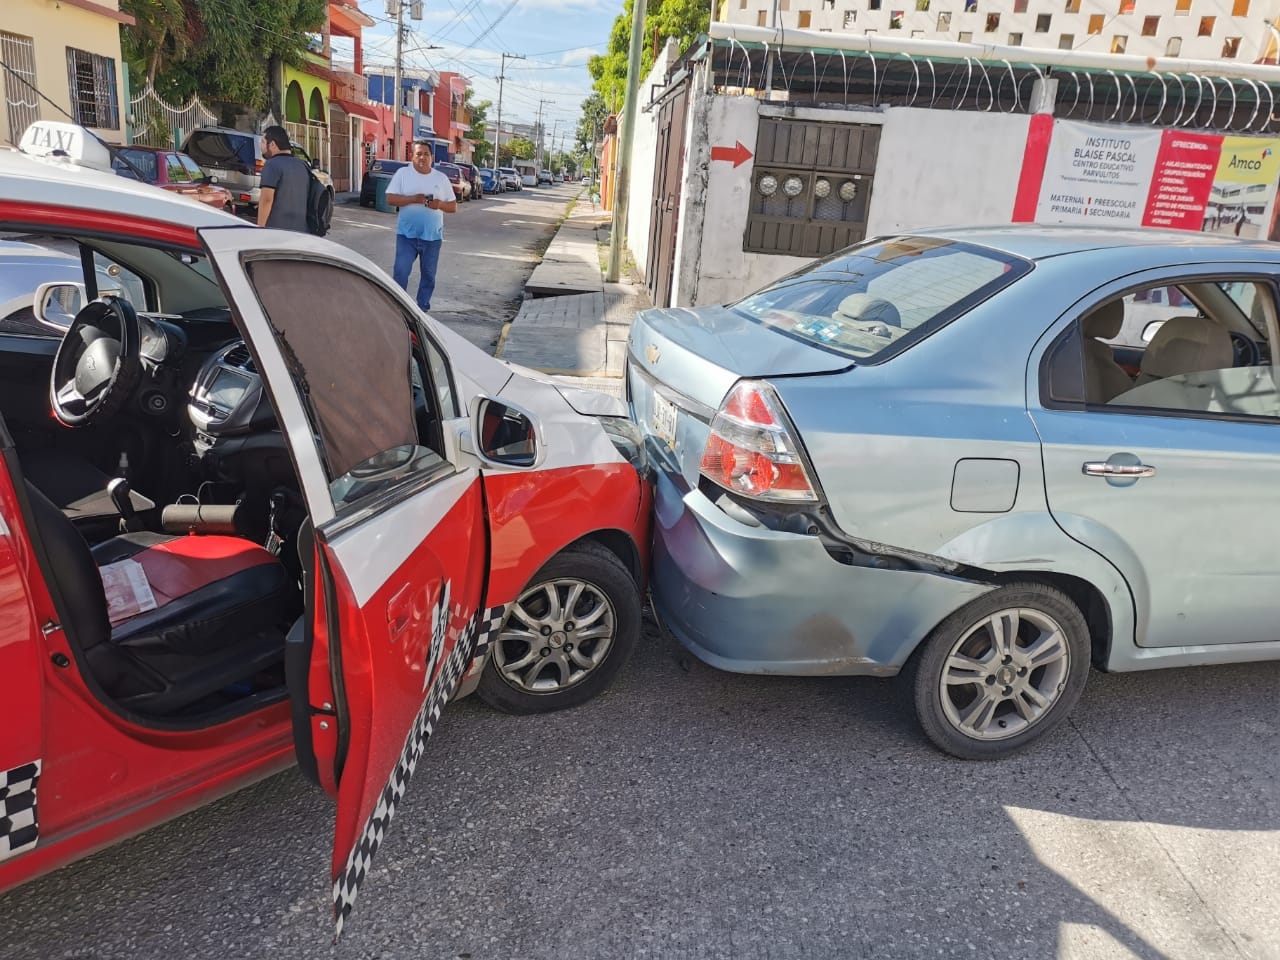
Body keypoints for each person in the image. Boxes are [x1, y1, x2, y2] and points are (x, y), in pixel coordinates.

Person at [386, 140, 457, 311]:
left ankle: (422, 310)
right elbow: (389, 199)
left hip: (432, 237)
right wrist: (413, 199)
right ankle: (398, 308)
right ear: (412, 156)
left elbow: (453, 206)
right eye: (418, 154)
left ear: (432, 157)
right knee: (401, 272)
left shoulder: (441, 178)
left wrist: (438, 204)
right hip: (406, 236)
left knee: (429, 276)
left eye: (426, 154)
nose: (422, 157)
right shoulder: (403, 174)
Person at [257, 125, 310, 232]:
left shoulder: (272, 165)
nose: (260, 146)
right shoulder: (302, 166)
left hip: (276, 232)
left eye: (262, 142)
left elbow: (266, 200)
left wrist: (260, 230)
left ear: (272, 144)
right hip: (301, 232)